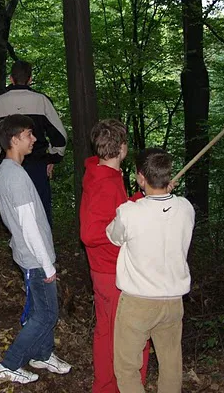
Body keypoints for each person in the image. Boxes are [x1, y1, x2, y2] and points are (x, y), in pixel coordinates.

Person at [107, 149, 194, 393]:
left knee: (127, 368)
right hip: (173, 302)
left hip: (138, 303)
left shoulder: (129, 211)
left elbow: (113, 236)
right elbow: (167, 209)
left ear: (141, 177)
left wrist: (144, 197)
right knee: (171, 365)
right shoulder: (186, 208)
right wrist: (165, 192)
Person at [0, 114, 71, 384]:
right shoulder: (14, 176)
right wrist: (47, 265)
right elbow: (28, 226)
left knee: (41, 311)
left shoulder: (8, 170)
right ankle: (8, 364)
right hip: (35, 258)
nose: (34, 139)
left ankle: (42, 354)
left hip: (32, 254)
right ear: (14, 140)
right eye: (29, 134)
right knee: (46, 315)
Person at [79, 119, 149, 393]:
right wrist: (121, 233)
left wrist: (140, 199)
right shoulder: (105, 182)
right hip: (110, 270)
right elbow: (90, 233)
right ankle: (115, 386)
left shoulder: (103, 173)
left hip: (107, 268)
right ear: (122, 148)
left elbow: (115, 213)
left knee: (108, 330)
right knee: (123, 335)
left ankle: (106, 385)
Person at [0, 61, 67, 224]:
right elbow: (60, 137)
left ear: (11, 78)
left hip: (8, 164)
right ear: (30, 79)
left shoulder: (0, 102)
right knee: (40, 213)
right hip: (37, 165)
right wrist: (52, 157)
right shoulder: (41, 101)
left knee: (14, 216)